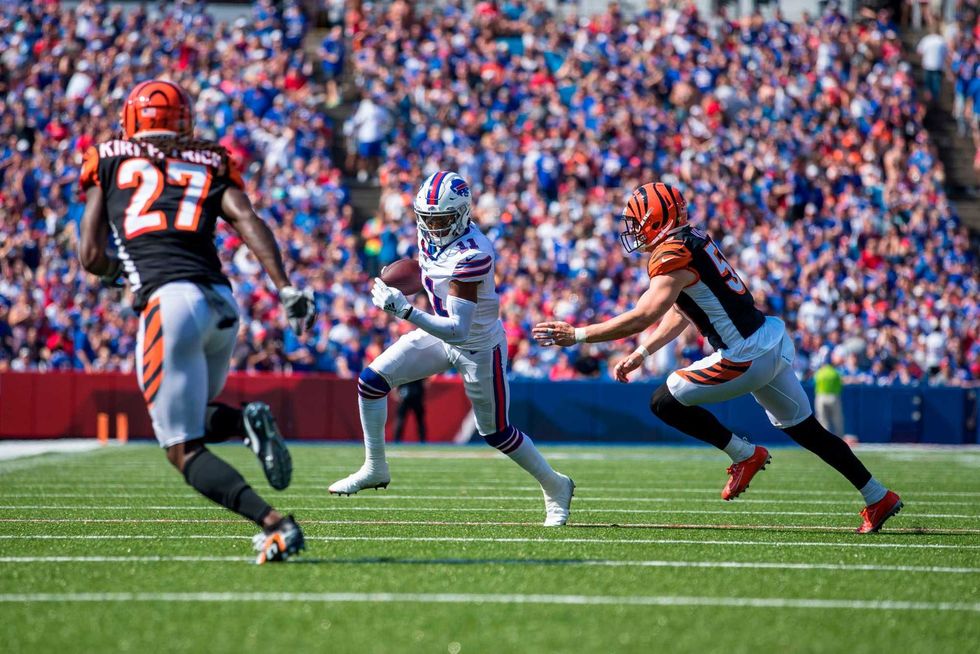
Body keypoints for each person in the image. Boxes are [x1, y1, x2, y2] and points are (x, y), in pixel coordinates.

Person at [533, 182, 902, 533]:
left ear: (657, 220)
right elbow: (682, 312)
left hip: (745, 355)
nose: (635, 231)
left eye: (638, 222)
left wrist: (578, 335)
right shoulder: (692, 240)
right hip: (768, 341)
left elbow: (644, 314)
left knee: (664, 401)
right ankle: (877, 496)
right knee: (808, 430)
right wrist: (643, 352)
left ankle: (744, 454)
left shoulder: (672, 253)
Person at [78, 80, 318, 562]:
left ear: (131, 121)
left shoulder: (107, 157)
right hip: (221, 303)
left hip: (169, 303)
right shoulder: (209, 158)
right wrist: (285, 287)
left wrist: (115, 273)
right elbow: (246, 218)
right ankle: (244, 423)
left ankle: (276, 525)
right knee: (195, 415)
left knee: (181, 447)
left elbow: (89, 254)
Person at [328, 170, 575, 526]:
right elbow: (427, 273)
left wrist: (405, 310)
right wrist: (400, 281)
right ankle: (374, 467)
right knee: (371, 381)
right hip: (440, 330)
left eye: (442, 219)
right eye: (427, 218)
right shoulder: (430, 235)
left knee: (497, 433)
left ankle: (556, 486)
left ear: (461, 214)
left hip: (477, 345)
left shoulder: (473, 254)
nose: (433, 226)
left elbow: (459, 330)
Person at [814, 357, 846, 437]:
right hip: (833, 397)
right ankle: (839, 438)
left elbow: (815, 383)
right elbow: (840, 385)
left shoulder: (819, 373)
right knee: (837, 420)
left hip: (821, 397)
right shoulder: (835, 373)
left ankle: (825, 439)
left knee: (823, 420)